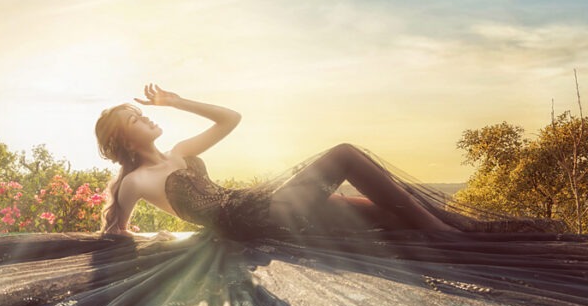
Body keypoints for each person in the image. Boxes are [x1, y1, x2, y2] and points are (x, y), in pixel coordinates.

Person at [95, 84, 540, 239]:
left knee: (393, 214)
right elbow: (115, 232)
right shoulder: (133, 182)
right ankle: (447, 238)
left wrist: (177, 101)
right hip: (252, 219)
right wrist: (150, 239)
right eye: (136, 117)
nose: (146, 115)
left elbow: (231, 118)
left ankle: (469, 230)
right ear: (122, 139)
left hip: (263, 206)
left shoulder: (179, 153)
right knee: (343, 154)